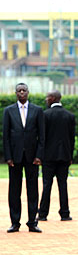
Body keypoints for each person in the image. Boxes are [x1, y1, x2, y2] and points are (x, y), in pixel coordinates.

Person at [2, 83, 44, 233]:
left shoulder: (37, 110)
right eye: (19, 91)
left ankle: (32, 222)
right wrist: (8, 156)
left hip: (32, 157)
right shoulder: (8, 111)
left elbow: (42, 136)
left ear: (28, 92)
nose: (21, 93)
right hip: (15, 156)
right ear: (15, 93)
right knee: (14, 190)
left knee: (32, 190)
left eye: (24, 90)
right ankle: (15, 222)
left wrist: (39, 155)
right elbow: (5, 136)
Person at [38, 90, 75, 222]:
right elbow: (72, 139)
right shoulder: (69, 116)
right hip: (64, 156)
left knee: (47, 185)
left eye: (47, 97)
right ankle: (64, 214)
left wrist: (40, 155)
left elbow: (42, 138)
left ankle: (42, 214)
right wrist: (70, 156)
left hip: (48, 156)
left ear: (53, 98)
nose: (46, 99)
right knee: (62, 185)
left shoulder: (45, 115)